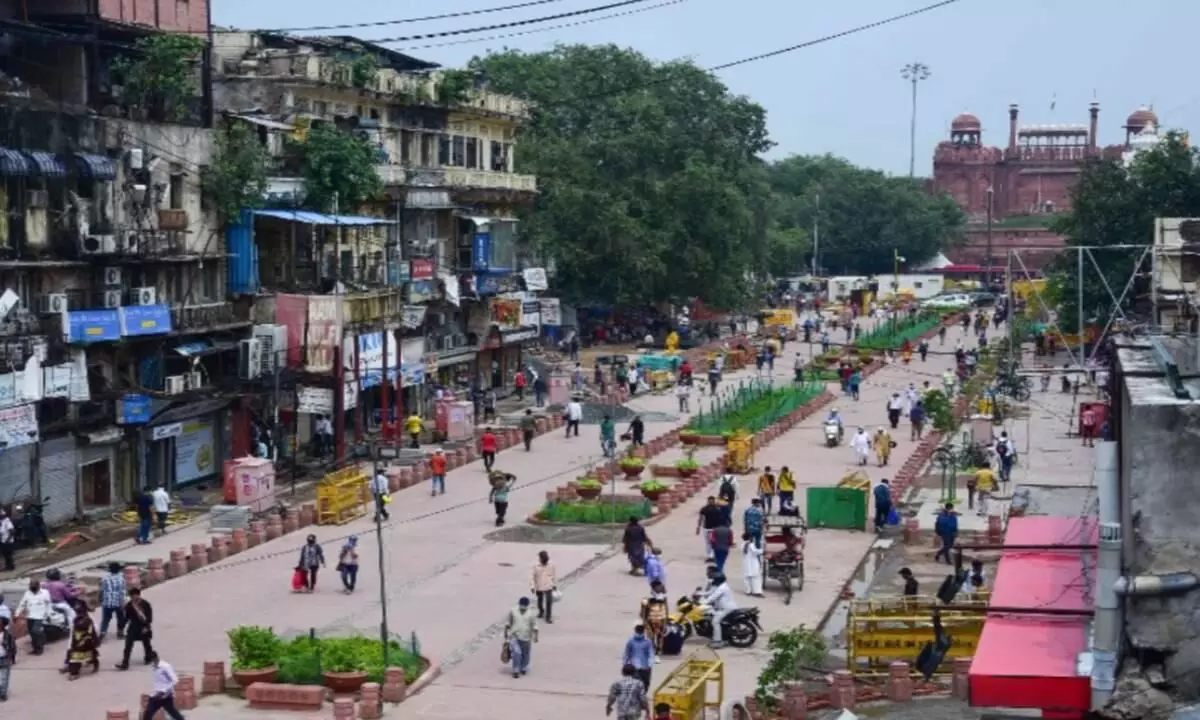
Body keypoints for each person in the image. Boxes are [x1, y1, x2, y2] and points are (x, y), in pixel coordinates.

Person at [115, 588, 154, 670]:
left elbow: (149, 618)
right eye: (132, 596)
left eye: (135, 596)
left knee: (146, 644)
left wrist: (146, 627)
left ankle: (148, 657)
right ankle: (125, 663)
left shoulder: (145, 604)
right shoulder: (129, 605)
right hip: (133, 627)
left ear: (138, 595)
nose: (133, 598)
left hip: (143, 626)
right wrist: (121, 626)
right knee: (128, 645)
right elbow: (127, 617)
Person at [143, 652, 186, 720]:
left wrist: (164, 691)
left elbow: (175, 680)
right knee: (148, 713)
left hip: (166, 696)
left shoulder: (165, 666)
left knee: (173, 713)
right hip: (156, 696)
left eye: (152, 661)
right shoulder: (154, 667)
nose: (152, 663)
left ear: (155, 658)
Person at [15, 578, 52, 655]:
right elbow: (22, 604)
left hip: (40, 616)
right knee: (32, 633)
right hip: (30, 616)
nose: (33, 589)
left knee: (36, 631)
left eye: (34, 587)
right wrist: (17, 614)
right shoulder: (27, 593)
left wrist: (48, 614)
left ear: (38, 586)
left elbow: (49, 604)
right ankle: (35, 648)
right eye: (31, 587)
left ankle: (40, 648)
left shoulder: (45, 593)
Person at [64, 599, 99, 679]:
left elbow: (94, 630)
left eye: (78, 605)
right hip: (76, 641)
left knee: (90, 655)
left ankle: (95, 664)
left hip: (86, 640)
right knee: (74, 656)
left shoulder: (88, 618)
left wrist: (94, 640)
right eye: (76, 606)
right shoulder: (75, 617)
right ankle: (74, 673)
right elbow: (73, 630)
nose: (76, 607)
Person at [504, 597, 538, 678]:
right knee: (517, 652)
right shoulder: (513, 611)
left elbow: (534, 625)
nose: (522, 607)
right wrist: (505, 632)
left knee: (525, 654)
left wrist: (536, 636)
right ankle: (516, 670)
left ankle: (523, 667)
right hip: (514, 635)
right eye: (521, 605)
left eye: (524, 606)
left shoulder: (531, 613)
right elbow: (508, 623)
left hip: (526, 637)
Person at [701, 573, 736, 648]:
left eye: (715, 579)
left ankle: (718, 641)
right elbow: (710, 593)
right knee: (710, 615)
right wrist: (699, 594)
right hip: (722, 607)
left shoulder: (722, 588)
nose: (713, 580)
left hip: (727, 608)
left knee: (715, 621)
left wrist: (702, 603)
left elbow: (713, 597)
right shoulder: (721, 586)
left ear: (718, 580)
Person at [98, 561, 126, 641]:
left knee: (105, 619)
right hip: (118, 602)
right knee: (120, 617)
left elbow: (101, 590)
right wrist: (123, 602)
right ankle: (120, 633)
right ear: (118, 570)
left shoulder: (105, 578)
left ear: (110, 570)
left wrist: (100, 598)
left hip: (107, 602)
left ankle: (102, 633)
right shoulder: (121, 579)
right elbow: (122, 592)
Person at [641, 580, 669, 656]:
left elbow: (666, 609)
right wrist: (645, 623)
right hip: (651, 620)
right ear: (654, 588)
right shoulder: (647, 599)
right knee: (651, 636)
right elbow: (643, 613)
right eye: (659, 587)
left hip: (661, 620)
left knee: (660, 636)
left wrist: (666, 621)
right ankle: (653, 649)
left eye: (661, 586)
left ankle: (659, 650)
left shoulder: (663, 598)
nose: (661, 588)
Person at [623, 625, 655, 690]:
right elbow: (627, 653)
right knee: (635, 683)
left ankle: (641, 695)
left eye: (640, 632)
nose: (639, 633)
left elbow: (651, 653)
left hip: (645, 666)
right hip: (634, 666)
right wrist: (625, 664)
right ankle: (637, 695)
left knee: (646, 683)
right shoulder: (631, 641)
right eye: (638, 632)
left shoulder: (647, 642)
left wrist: (650, 663)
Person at [532, 551, 557, 622]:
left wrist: (554, 584)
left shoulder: (551, 565)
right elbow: (532, 576)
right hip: (539, 585)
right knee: (540, 600)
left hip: (548, 585)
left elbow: (554, 575)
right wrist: (532, 586)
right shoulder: (536, 566)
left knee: (549, 601)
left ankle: (548, 617)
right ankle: (541, 611)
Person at [741, 532, 764, 597]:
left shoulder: (742, 544)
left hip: (746, 563)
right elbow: (755, 552)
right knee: (756, 577)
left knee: (747, 577)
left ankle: (748, 591)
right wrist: (762, 550)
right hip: (752, 562)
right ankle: (757, 592)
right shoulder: (751, 545)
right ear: (750, 538)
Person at [0, 615, 14, 700]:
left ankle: (3, 694)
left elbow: (12, 647)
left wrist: (11, 658)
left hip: (4, 657)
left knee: (4, 677)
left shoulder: (8, 635)